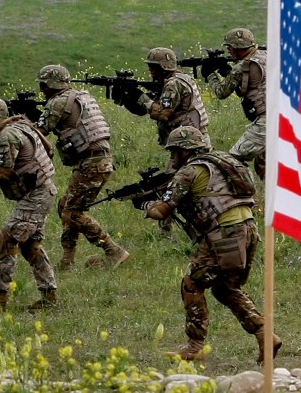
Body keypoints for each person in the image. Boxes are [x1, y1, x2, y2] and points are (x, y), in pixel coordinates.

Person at [140, 126, 281, 366]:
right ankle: (265, 335)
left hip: (225, 234)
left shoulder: (190, 171)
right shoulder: (225, 161)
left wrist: (146, 206)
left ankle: (195, 346)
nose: (173, 157)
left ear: (185, 151)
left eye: (175, 152)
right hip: (248, 231)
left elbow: (163, 210)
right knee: (225, 288)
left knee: (192, 283)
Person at [0, 96, 59, 311]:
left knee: (7, 240)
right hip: (42, 192)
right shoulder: (20, 125)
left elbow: (5, 171)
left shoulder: (7, 135)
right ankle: (49, 296)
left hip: (35, 195)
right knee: (30, 245)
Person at [35, 64, 130, 271]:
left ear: (49, 85)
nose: (42, 91)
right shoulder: (81, 96)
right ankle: (67, 260)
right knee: (66, 206)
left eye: (43, 86)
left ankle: (113, 250)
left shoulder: (58, 103)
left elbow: (37, 134)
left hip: (92, 163)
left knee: (72, 212)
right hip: (98, 160)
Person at [119, 47, 211, 233]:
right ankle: (167, 228)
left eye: (153, 67)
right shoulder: (181, 79)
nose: (150, 71)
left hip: (189, 144)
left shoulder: (173, 84)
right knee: (175, 183)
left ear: (163, 67)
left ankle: (185, 225)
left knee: (177, 184)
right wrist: (130, 99)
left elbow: (162, 114)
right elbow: (151, 108)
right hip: (190, 141)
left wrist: (140, 96)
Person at [201, 27, 267, 178]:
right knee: (264, 164)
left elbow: (221, 92)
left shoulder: (241, 67)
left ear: (237, 49)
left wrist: (210, 74)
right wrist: (227, 71)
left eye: (230, 48)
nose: (229, 51)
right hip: (282, 117)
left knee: (232, 160)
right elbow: (249, 85)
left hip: (265, 122)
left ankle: (245, 196)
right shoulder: (265, 55)